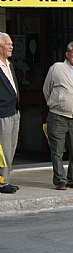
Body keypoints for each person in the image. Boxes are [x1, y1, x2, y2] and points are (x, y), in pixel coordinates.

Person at [43, 42, 73, 190]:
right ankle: (60, 180)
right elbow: (47, 89)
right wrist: (58, 103)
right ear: (67, 54)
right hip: (58, 116)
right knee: (57, 150)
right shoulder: (57, 68)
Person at [0, 32, 20, 194]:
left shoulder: (9, 64)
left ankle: (6, 179)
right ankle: (1, 182)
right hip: (2, 114)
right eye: (8, 44)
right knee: (3, 149)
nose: (11, 46)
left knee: (11, 147)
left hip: (14, 111)